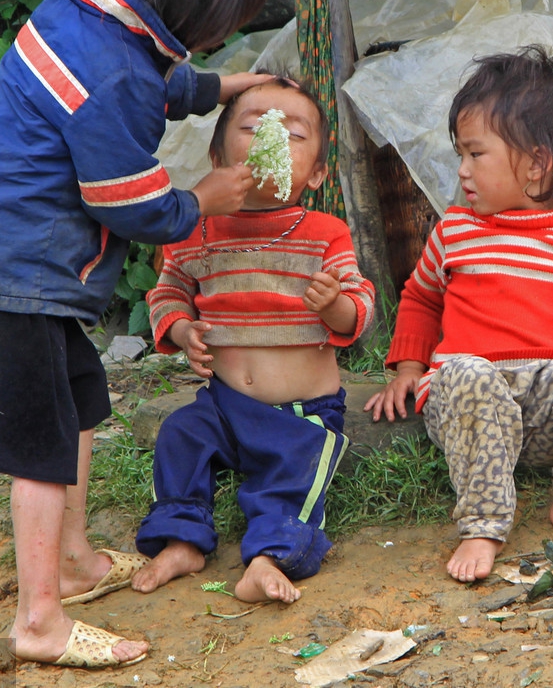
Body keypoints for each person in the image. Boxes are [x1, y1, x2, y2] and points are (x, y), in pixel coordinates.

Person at [0, 0, 274, 668]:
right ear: (194, 15)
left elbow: (150, 76)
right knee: (39, 443)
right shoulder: (112, 75)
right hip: (6, 265)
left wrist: (216, 87)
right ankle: (38, 620)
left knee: (76, 403)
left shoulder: (90, 18)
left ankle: (72, 563)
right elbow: (128, 202)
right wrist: (202, 200)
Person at [365, 45, 553, 583]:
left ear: (536, 164)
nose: (461, 171)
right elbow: (421, 297)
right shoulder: (456, 231)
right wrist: (409, 368)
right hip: (471, 406)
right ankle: (482, 523)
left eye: (475, 155)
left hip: (549, 415)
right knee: (465, 370)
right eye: (460, 155)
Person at [131, 76, 375, 604]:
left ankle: (269, 555)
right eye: (253, 126)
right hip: (222, 404)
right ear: (219, 157)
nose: (273, 136)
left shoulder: (324, 232)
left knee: (298, 466)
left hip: (301, 412)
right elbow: (168, 290)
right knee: (180, 435)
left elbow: (360, 305)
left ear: (317, 173)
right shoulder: (196, 231)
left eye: (293, 132)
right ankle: (182, 539)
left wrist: (333, 305)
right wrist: (179, 326)